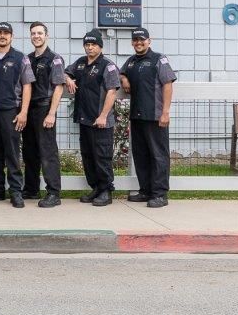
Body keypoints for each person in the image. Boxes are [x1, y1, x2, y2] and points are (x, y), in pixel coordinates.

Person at [120, 27, 177, 209]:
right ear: (132, 42)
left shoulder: (159, 59)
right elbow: (121, 72)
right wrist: (124, 79)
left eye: (142, 40)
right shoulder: (130, 62)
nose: (138, 43)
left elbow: (167, 84)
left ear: (149, 41)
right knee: (141, 156)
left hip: (156, 116)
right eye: (135, 40)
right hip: (137, 116)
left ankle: (159, 194)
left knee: (158, 156)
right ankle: (145, 190)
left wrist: (165, 112)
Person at [64, 29, 121, 207]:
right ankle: (95, 188)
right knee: (88, 156)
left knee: (102, 156)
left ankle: (106, 191)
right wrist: (68, 79)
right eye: (87, 45)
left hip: (101, 121)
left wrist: (103, 115)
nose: (89, 48)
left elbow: (112, 91)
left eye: (93, 45)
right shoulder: (80, 63)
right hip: (84, 119)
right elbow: (66, 72)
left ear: (100, 46)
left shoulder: (107, 65)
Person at [0, 22, 35, 208]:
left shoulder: (21, 58)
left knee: (12, 153)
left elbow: (27, 85)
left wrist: (24, 112)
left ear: (11, 36)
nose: (2, 36)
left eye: (6, 33)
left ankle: (15, 191)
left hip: (12, 112)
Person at [24, 22, 67, 208]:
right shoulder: (27, 59)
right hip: (28, 109)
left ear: (46, 36)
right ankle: (32, 189)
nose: (36, 36)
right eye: (33, 33)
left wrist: (52, 113)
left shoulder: (54, 59)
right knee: (30, 152)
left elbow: (58, 87)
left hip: (44, 109)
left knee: (47, 152)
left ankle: (53, 193)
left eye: (40, 33)